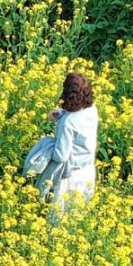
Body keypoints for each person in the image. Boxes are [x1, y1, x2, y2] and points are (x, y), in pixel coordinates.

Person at [39, 73, 98, 220]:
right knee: (78, 219)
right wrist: (61, 113)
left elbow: (61, 155)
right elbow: (77, 117)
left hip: (69, 177)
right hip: (88, 172)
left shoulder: (67, 123)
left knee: (58, 221)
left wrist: (45, 149)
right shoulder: (92, 110)